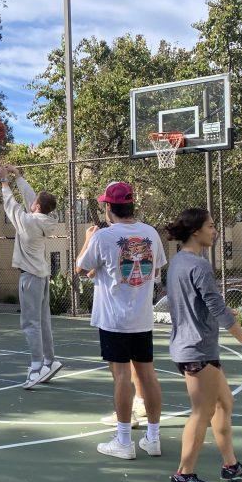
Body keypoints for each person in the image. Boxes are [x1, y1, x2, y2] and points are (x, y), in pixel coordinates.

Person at [165, 208, 242, 482]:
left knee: (223, 404)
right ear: (196, 231)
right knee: (202, 412)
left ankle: (231, 467)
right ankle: (184, 476)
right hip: (196, 349)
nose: (215, 230)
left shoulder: (178, 263)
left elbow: (195, 304)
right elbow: (216, 307)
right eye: (211, 226)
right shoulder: (198, 265)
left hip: (195, 346)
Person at [76, 181, 165, 460]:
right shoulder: (150, 233)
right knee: (148, 375)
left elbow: (80, 268)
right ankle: (153, 438)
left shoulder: (103, 237)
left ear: (108, 208)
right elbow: (153, 270)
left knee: (122, 376)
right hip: (142, 318)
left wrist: (88, 240)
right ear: (131, 205)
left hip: (115, 320)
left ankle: (124, 440)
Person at [0, 165, 65, 388]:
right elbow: (30, 200)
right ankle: (50, 360)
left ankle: (36, 367)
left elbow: (11, 206)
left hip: (30, 278)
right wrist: (18, 176)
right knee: (43, 321)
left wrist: (4, 181)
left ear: (37, 206)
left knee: (30, 323)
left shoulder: (27, 222)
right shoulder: (44, 219)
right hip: (42, 276)